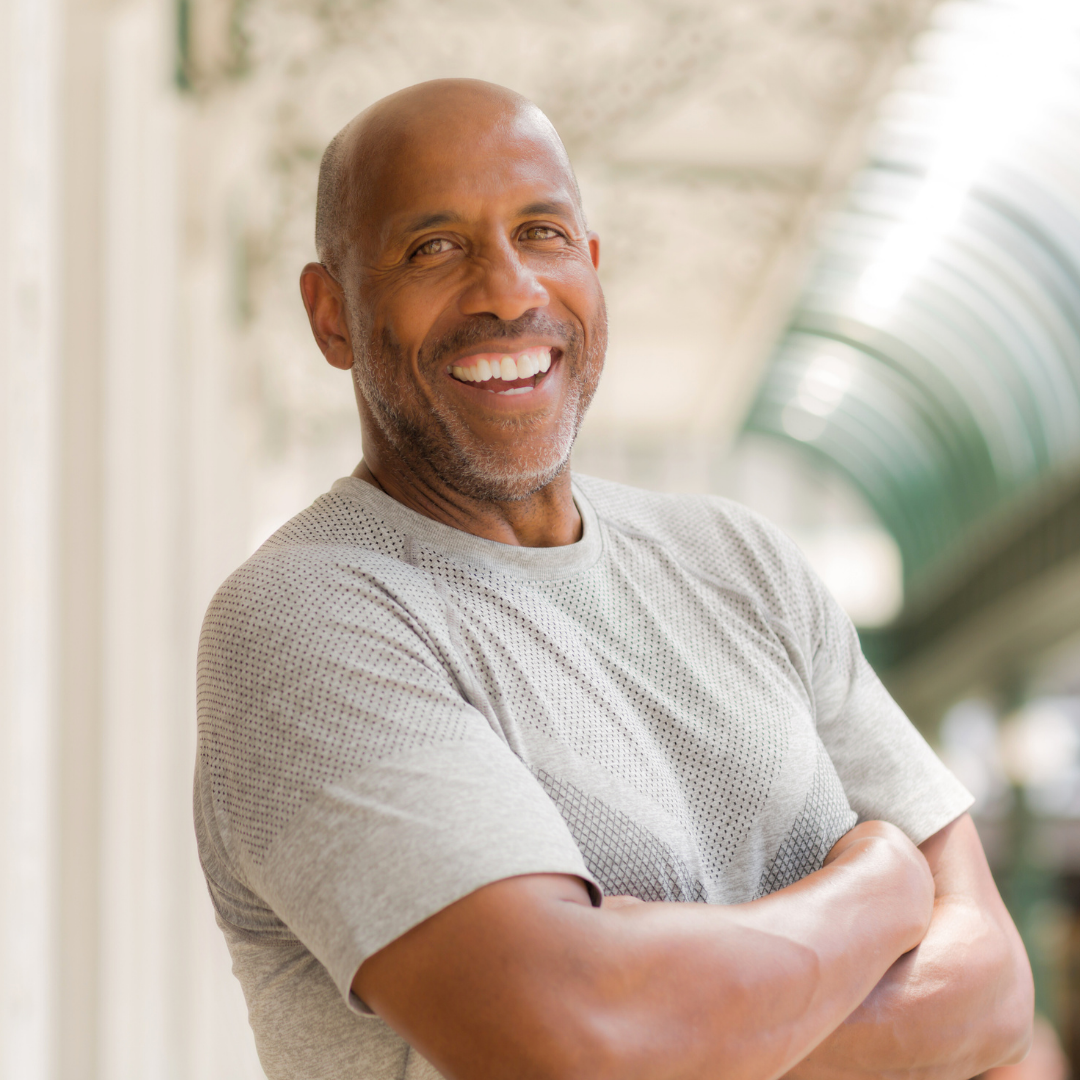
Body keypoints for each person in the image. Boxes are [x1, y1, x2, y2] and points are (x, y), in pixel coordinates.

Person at [194, 78, 1034, 1080]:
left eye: (541, 233)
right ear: (331, 313)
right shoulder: (310, 618)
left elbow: (992, 989)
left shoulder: (745, 564)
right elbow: (577, 1040)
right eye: (435, 247)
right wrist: (880, 889)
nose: (508, 291)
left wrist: (673, 1010)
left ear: (591, 266)